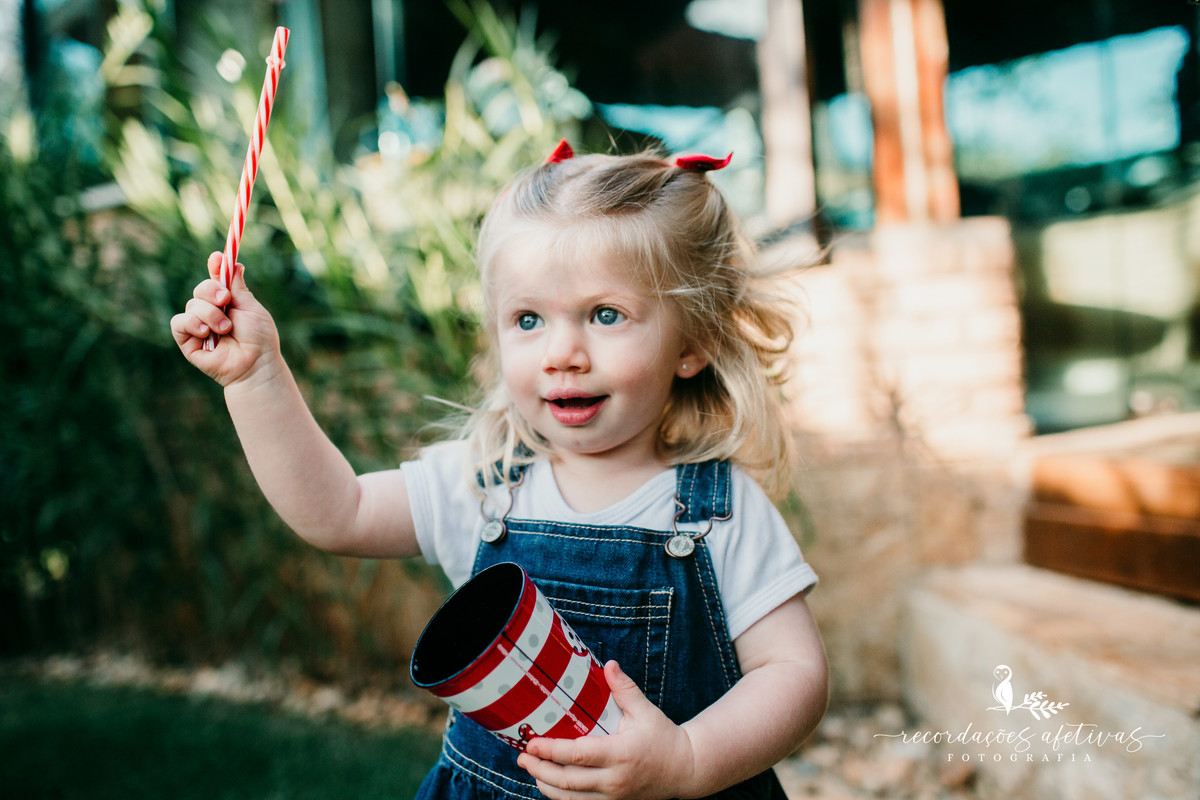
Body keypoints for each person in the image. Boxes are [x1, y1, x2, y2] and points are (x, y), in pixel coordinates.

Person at [171, 141, 828, 800]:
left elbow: (793, 673)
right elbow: (337, 513)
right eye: (528, 319)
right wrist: (255, 378)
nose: (562, 353)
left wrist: (688, 758)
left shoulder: (721, 514)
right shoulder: (487, 484)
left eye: (606, 315)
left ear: (692, 343)